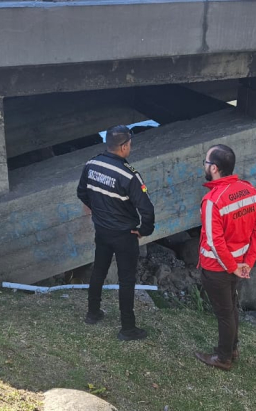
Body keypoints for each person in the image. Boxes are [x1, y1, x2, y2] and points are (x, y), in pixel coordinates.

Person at [77, 125, 155, 341]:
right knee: (127, 279)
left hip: (102, 230)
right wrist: (143, 230)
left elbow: (81, 192)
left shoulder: (91, 165)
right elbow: (147, 209)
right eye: (129, 144)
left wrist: (97, 210)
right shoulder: (129, 176)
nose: (130, 147)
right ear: (123, 146)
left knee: (98, 271)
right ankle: (128, 328)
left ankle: (93, 313)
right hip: (124, 234)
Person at [194, 144, 256, 370]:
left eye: (205, 163)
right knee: (231, 308)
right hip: (239, 266)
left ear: (214, 168)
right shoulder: (250, 191)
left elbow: (215, 242)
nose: (205, 166)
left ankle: (223, 358)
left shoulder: (212, 200)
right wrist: (247, 262)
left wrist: (232, 266)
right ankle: (232, 348)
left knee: (224, 313)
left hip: (217, 268)